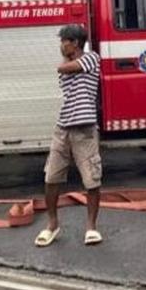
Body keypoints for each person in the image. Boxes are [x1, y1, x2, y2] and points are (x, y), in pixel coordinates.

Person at [35, 24, 103, 248]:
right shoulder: (69, 63)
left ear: (75, 43)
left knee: (91, 180)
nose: (61, 45)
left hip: (85, 129)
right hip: (63, 127)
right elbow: (65, 69)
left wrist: (66, 59)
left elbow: (64, 68)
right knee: (51, 177)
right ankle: (52, 224)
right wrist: (66, 57)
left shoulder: (91, 58)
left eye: (64, 41)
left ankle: (91, 227)